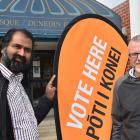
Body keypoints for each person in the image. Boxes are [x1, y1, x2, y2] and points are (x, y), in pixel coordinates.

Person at [0, 28, 56, 140]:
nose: (22, 53)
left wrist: (47, 98)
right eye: (17, 46)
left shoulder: (20, 81)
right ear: (3, 48)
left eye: (27, 50)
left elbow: (29, 121)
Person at [111, 35, 140, 140]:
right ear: (129, 57)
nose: (139, 58)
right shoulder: (120, 85)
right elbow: (117, 123)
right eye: (135, 54)